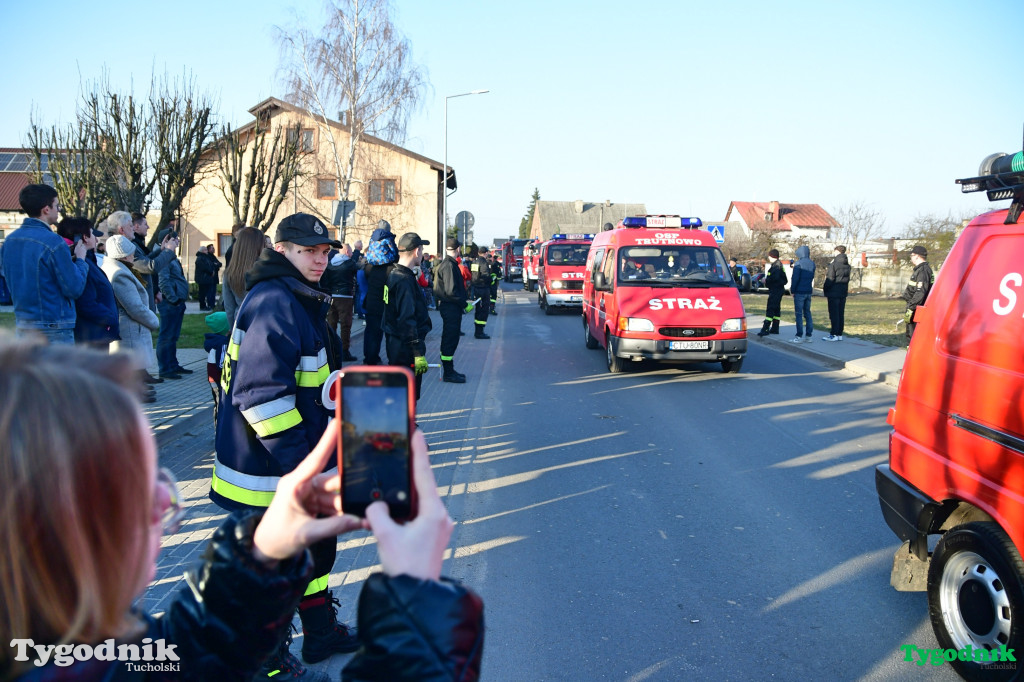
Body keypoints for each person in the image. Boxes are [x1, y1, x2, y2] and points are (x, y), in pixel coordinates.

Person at [0, 336, 485, 682]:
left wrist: (264, 551)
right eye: (139, 489)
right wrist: (416, 613)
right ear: (52, 529)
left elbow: (185, 659)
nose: (169, 501)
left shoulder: (64, 645)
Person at [211, 213, 358, 678]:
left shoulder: (296, 296)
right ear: (281, 250)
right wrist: (306, 469)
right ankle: (264, 662)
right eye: (308, 250)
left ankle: (318, 634)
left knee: (313, 555)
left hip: (288, 466)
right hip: (269, 474)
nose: (320, 258)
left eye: (324, 251)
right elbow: (262, 397)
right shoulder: (277, 301)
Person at [0, 184, 88, 344]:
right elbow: (74, 287)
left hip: (23, 325)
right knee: (57, 370)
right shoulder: (53, 242)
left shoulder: (10, 241)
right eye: (57, 205)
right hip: (54, 327)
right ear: (46, 209)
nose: (58, 210)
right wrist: (80, 260)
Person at [101, 235, 160, 404]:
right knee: (131, 364)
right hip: (130, 327)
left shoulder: (116, 268)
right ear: (124, 255)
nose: (133, 256)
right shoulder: (120, 273)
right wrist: (153, 321)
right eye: (131, 253)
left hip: (129, 326)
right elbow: (134, 307)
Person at [55, 217, 119, 349]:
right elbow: (86, 303)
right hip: (91, 336)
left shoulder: (87, 263)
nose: (96, 239)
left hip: (95, 333)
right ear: (84, 237)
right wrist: (110, 317)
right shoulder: (82, 265)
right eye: (93, 234)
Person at [384, 232, 433, 400]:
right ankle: (407, 425)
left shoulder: (393, 274)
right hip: (405, 348)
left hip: (395, 343)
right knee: (408, 393)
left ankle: (403, 423)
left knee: (400, 391)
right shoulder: (404, 280)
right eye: (422, 249)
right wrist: (417, 351)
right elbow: (407, 319)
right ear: (417, 251)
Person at [152, 229, 191, 380]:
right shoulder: (163, 256)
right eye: (175, 240)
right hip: (169, 302)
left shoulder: (171, 255)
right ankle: (165, 368)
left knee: (173, 336)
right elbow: (163, 280)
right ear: (167, 240)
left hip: (176, 301)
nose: (178, 242)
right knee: (166, 335)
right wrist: (173, 298)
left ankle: (173, 364)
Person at [433, 237, 470, 383]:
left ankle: (450, 369)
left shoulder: (449, 264)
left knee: (451, 338)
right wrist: (464, 304)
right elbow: (451, 291)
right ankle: (448, 373)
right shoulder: (449, 266)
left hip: (450, 307)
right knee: (450, 339)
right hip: (451, 308)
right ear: (458, 249)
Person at [363, 220, 398, 365]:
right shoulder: (391, 267)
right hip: (386, 301)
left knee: (371, 332)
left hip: (372, 300)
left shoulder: (369, 265)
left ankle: (370, 358)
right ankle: (393, 359)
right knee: (390, 332)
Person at [321, 243, 358, 361]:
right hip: (345, 297)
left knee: (331, 323)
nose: (352, 254)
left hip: (332, 296)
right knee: (345, 325)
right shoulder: (350, 263)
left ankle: (331, 350)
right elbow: (357, 270)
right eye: (351, 251)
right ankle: (344, 351)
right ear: (347, 252)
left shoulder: (330, 263)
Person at [222, 226, 265, 322]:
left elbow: (229, 308)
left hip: (240, 323)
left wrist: (233, 329)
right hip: (263, 323)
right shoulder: (266, 270)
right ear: (259, 245)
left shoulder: (230, 273)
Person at [902, 245, 934, 340]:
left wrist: (911, 308)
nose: (911, 257)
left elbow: (920, 292)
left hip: (917, 309)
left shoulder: (923, 271)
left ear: (917, 256)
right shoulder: (921, 270)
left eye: (912, 255)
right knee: (911, 336)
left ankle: (912, 354)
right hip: (915, 307)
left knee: (913, 337)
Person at [822, 245, 851, 341]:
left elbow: (830, 279)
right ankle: (839, 334)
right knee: (840, 313)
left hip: (833, 292)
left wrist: (825, 289)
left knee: (833, 314)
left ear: (837, 252)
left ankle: (833, 334)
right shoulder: (847, 265)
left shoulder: (834, 265)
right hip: (843, 292)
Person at [756, 248, 788, 337]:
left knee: (770, 308)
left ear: (772, 256)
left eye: (769, 256)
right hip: (778, 290)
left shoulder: (776, 267)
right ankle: (775, 328)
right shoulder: (778, 265)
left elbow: (776, 279)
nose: (768, 258)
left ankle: (765, 328)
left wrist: (766, 281)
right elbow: (784, 280)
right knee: (776, 309)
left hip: (775, 290)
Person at [789, 244, 816, 343]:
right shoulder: (812, 263)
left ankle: (798, 335)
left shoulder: (798, 263)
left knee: (799, 314)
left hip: (799, 291)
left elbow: (795, 278)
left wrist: (793, 290)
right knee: (807, 313)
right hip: (808, 290)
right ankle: (809, 335)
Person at [467, 244, 491, 339]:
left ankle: (478, 331)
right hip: (483, 289)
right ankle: (480, 332)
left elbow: (473, 275)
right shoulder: (484, 262)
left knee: (478, 310)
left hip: (476, 288)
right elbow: (485, 276)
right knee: (483, 311)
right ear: (485, 253)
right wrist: (491, 279)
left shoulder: (475, 262)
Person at [195, 244, 222, 310]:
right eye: (206, 250)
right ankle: (203, 306)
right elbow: (204, 267)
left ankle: (208, 305)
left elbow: (214, 264)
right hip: (202, 278)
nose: (207, 251)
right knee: (202, 293)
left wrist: (213, 268)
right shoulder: (200, 258)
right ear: (202, 251)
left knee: (207, 292)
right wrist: (211, 272)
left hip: (206, 278)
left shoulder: (206, 257)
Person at [485, 248, 501, 315]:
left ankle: (485, 309)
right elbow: (498, 273)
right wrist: (497, 280)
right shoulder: (494, 264)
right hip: (493, 283)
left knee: (486, 297)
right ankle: (492, 309)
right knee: (493, 297)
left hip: (485, 284)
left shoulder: (484, 264)